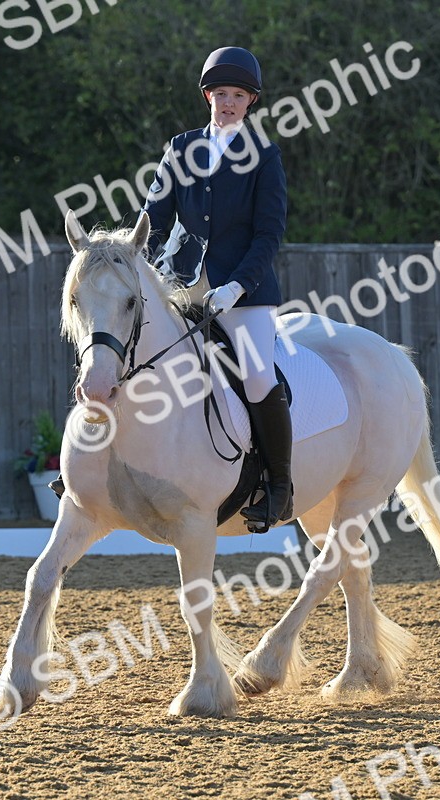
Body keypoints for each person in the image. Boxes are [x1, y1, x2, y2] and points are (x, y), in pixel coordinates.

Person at [142, 46, 292, 532]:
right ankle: (95, 465)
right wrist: (130, 257)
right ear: (208, 96)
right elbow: (154, 217)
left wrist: (236, 287)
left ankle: (278, 486)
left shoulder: (264, 156)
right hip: (182, 283)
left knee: (254, 376)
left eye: (238, 95)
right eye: (220, 93)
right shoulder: (182, 147)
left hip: (243, 292)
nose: (227, 102)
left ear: (250, 102)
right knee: (125, 344)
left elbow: (268, 234)